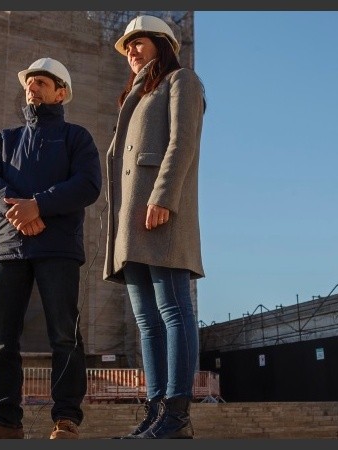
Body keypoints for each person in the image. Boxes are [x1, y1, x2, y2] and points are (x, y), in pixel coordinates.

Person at [0, 57, 101, 440]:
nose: (31, 88)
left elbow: (88, 184)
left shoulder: (77, 138)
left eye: (40, 82)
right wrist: (20, 211)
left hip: (58, 248)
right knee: (0, 339)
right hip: (7, 247)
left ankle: (66, 420)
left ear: (61, 93)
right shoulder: (5, 139)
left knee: (64, 335)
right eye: (28, 83)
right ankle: (3, 421)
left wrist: (38, 205)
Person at [103, 15, 206, 439]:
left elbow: (183, 142)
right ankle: (155, 411)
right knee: (147, 321)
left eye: (138, 42)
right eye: (127, 46)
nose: (130, 50)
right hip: (131, 222)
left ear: (162, 44)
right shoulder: (135, 94)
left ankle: (177, 413)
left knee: (174, 310)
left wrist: (163, 197)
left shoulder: (182, 81)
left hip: (160, 211)